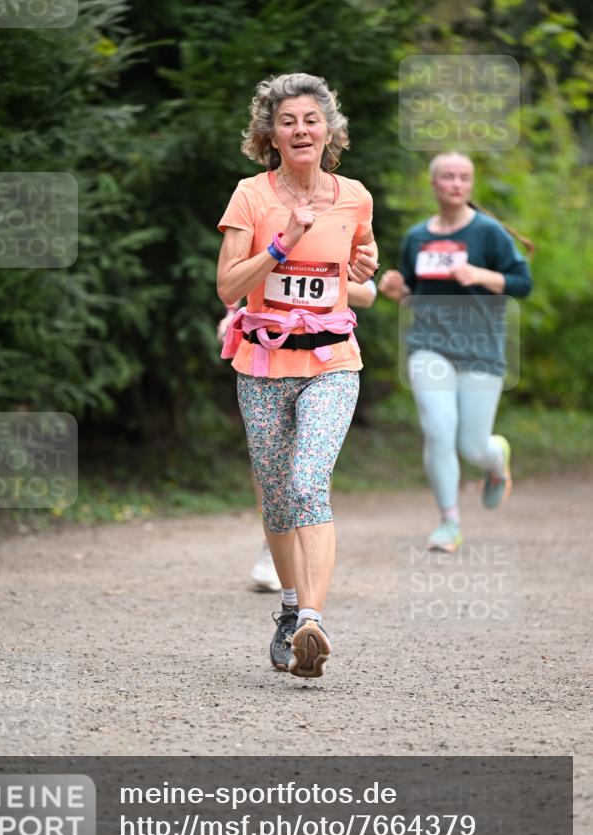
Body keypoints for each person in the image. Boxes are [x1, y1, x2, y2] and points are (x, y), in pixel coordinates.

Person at [216, 72, 379, 677]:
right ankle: (289, 610)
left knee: (309, 479)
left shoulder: (354, 195)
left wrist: (366, 267)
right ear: (271, 135)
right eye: (288, 121)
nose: (301, 129)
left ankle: (313, 618)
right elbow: (229, 285)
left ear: (328, 129)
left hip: (333, 361)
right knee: (279, 499)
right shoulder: (250, 197)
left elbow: (358, 272)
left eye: (312, 119)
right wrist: (280, 246)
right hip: (261, 365)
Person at [379, 152, 533, 552]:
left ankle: (496, 459)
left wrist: (480, 274)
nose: (456, 184)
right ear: (434, 184)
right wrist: (399, 292)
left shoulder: (489, 233)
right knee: (437, 428)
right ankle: (449, 522)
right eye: (448, 177)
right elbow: (415, 294)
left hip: (481, 350)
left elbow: (522, 283)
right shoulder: (417, 237)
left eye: (464, 177)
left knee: (471, 446)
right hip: (429, 346)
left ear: (471, 184)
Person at [217, 279, 378, 593]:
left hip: (323, 357)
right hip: (267, 351)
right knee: (269, 463)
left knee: (310, 463)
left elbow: (368, 293)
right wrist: (232, 312)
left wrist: (324, 287)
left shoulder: (336, 230)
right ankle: (275, 541)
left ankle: (309, 548)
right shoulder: (266, 230)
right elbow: (235, 277)